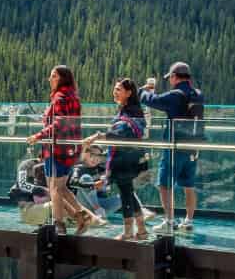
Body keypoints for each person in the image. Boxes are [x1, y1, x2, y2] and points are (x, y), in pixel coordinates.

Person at [31, 64, 101, 234]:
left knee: (54, 188)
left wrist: (39, 135)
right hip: (69, 149)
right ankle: (82, 218)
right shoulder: (73, 97)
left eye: (54, 76)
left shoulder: (59, 98)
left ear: (62, 79)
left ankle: (59, 225)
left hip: (56, 150)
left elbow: (58, 123)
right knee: (61, 188)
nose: (50, 79)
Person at [140, 62, 204, 233]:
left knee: (164, 184)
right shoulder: (197, 94)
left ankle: (169, 221)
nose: (170, 81)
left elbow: (153, 101)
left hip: (174, 146)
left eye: (170, 78)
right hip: (192, 147)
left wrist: (142, 91)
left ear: (175, 77)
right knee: (188, 185)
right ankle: (188, 221)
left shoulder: (176, 94)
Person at [84, 77, 150, 240]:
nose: (115, 92)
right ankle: (141, 230)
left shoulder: (129, 112)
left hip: (124, 160)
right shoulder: (131, 110)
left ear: (128, 93)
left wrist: (99, 135)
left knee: (126, 193)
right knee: (129, 193)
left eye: (119, 89)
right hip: (129, 158)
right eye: (115, 89)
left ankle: (128, 232)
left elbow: (121, 134)